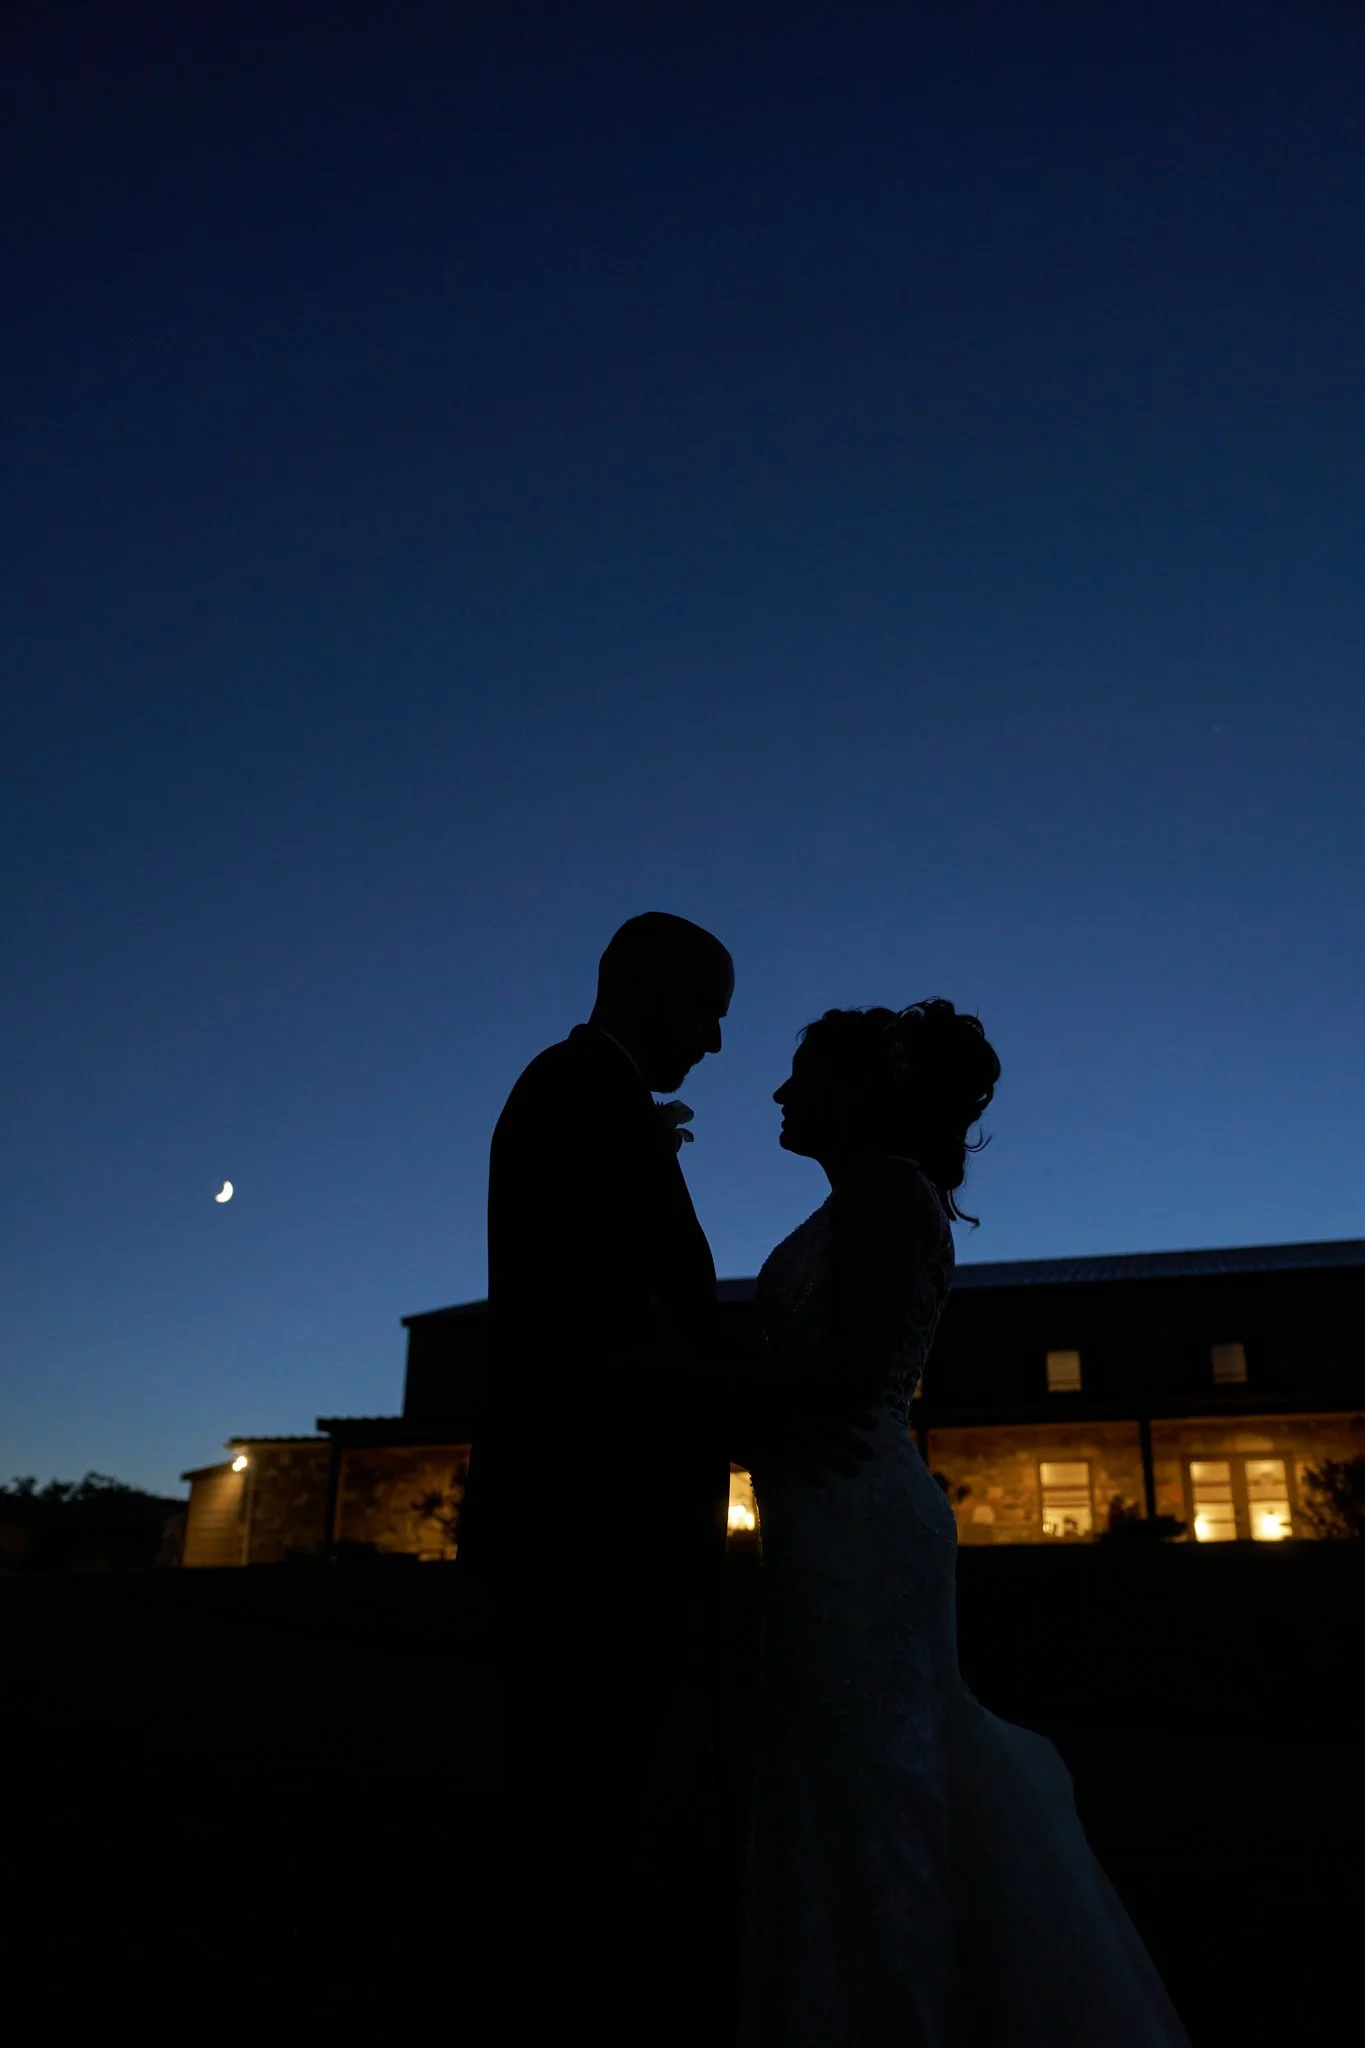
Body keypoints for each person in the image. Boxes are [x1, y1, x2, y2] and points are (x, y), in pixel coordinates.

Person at [734, 999, 1193, 2046]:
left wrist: (704, 1387)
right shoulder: (866, 1195)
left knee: (877, 1776)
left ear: (859, 1090)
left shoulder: (892, 1193)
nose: (780, 1093)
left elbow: (852, 1368)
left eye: (801, 1073)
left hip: (859, 1515)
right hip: (824, 1511)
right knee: (836, 1770)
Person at [456, 913, 872, 2040]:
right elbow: (598, 1339)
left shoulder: (593, 1098)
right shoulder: (576, 1097)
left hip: (603, 1520)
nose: (722, 1043)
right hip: (588, 1528)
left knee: (598, 1800)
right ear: (648, 989)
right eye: (710, 1010)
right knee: (575, 1806)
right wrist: (778, 1401)